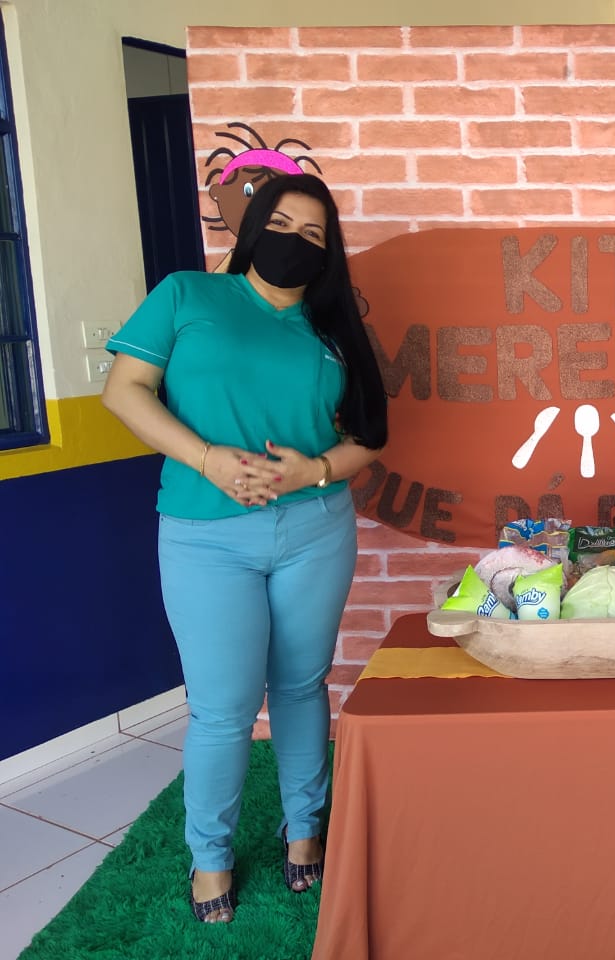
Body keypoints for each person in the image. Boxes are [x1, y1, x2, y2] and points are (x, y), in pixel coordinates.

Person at [101, 173, 388, 923]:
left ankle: (305, 830)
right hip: (205, 536)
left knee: (300, 686)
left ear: (329, 253)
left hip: (315, 529)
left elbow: (367, 439)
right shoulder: (186, 295)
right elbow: (124, 390)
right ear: (254, 227)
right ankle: (210, 858)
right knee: (224, 708)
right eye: (282, 225)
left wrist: (312, 470)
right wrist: (207, 459)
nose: (295, 242)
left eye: (314, 235)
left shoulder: (334, 329)